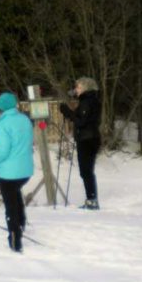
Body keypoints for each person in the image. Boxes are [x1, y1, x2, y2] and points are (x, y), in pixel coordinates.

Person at [0, 92, 35, 252]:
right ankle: (21, 223)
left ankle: (15, 238)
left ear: (1, 108)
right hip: (26, 170)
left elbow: (3, 153)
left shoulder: (3, 124)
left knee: (10, 204)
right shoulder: (25, 119)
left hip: (9, 172)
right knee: (16, 194)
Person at [59, 77, 102, 209]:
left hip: (87, 139)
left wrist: (67, 112)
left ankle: (92, 200)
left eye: (78, 87)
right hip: (89, 138)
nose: (76, 90)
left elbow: (81, 121)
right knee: (86, 171)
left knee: (86, 171)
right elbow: (82, 118)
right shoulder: (90, 100)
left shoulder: (87, 101)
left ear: (85, 88)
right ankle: (91, 199)